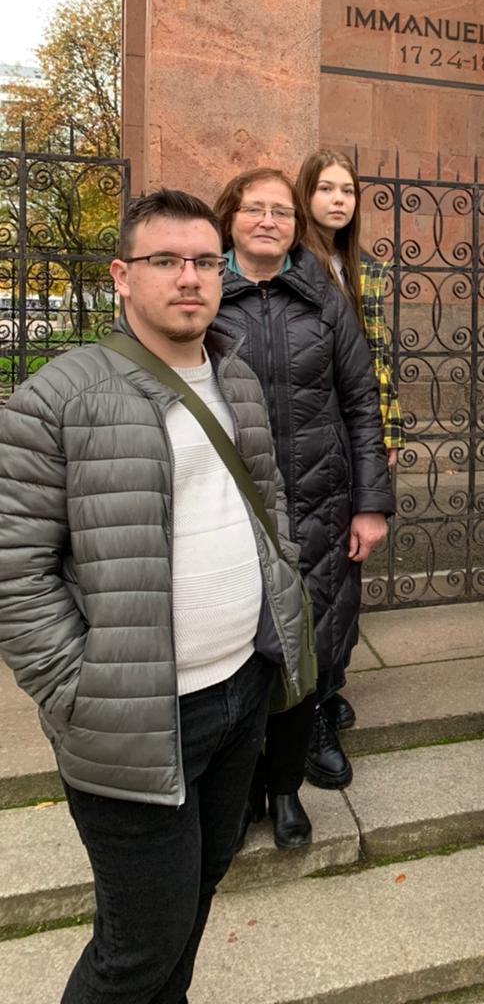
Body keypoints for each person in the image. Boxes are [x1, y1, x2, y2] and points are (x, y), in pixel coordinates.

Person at [0, 189, 308, 1002]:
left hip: (239, 692)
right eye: (165, 260)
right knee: (137, 948)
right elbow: (15, 571)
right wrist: (79, 689)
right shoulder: (58, 399)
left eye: (204, 261)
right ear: (121, 276)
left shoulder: (236, 380)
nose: (189, 277)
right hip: (133, 717)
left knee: (196, 899)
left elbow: (269, 502)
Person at [214, 168, 394, 818]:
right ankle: (242, 767)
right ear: (229, 218)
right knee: (239, 631)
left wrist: (370, 503)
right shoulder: (204, 293)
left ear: (296, 226)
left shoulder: (324, 296)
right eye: (254, 209)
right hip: (230, 500)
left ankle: (307, 731)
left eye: (281, 212)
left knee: (320, 617)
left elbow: (361, 400)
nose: (269, 221)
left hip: (320, 489)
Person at [295, 150, 404, 469]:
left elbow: (377, 354)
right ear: (305, 194)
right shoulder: (293, 264)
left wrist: (389, 428)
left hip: (357, 412)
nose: (339, 200)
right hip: (309, 415)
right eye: (325, 189)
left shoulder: (363, 266)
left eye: (348, 191)